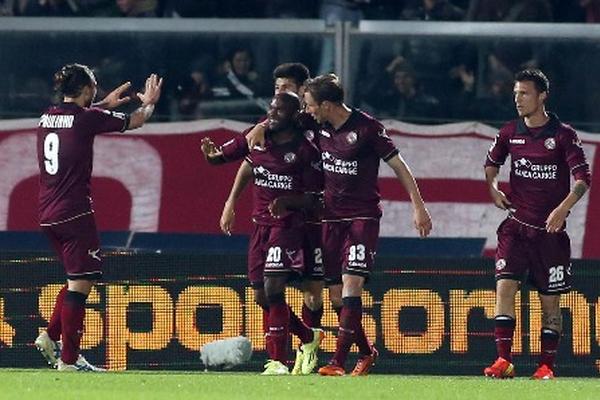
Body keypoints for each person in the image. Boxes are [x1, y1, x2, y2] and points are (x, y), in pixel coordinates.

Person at [301, 74, 432, 376]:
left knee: (352, 284)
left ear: (327, 105)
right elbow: (279, 120)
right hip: (331, 219)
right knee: (336, 296)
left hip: (362, 218)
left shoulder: (367, 128)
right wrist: (257, 129)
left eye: (310, 105)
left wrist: (419, 206)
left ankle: (336, 362)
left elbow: (399, 166)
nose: (307, 111)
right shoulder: (316, 124)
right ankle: (366, 351)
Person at [34, 63, 162, 371]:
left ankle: (50, 336)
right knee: (82, 282)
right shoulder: (87, 118)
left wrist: (103, 106)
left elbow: (76, 120)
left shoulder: (46, 116)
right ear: (85, 89)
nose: (97, 90)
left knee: (76, 278)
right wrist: (150, 102)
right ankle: (68, 360)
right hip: (74, 211)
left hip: (47, 213)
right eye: (94, 85)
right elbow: (138, 120)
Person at [206, 62, 326, 374]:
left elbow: (319, 193)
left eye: (285, 89)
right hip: (265, 222)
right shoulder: (269, 127)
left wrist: (290, 201)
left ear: (302, 90)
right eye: (276, 91)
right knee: (263, 294)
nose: (277, 98)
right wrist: (229, 196)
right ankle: (306, 338)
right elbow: (239, 158)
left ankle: (282, 359)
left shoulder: (315, 130)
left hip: (304, 222)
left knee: (309, 294)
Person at [483, 69, 591, 379]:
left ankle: (546, 366)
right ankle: (504, 361)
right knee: (504, 288)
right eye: (515, 93)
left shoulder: (562, 135)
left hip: (550, 235)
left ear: (542, 96)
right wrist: (492, 189)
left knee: (550, 304)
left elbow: (583, 179)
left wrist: (562, 209)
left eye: (524, 93)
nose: (517, 99)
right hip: (515, 228)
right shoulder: (508, 132)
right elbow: (491, 164)